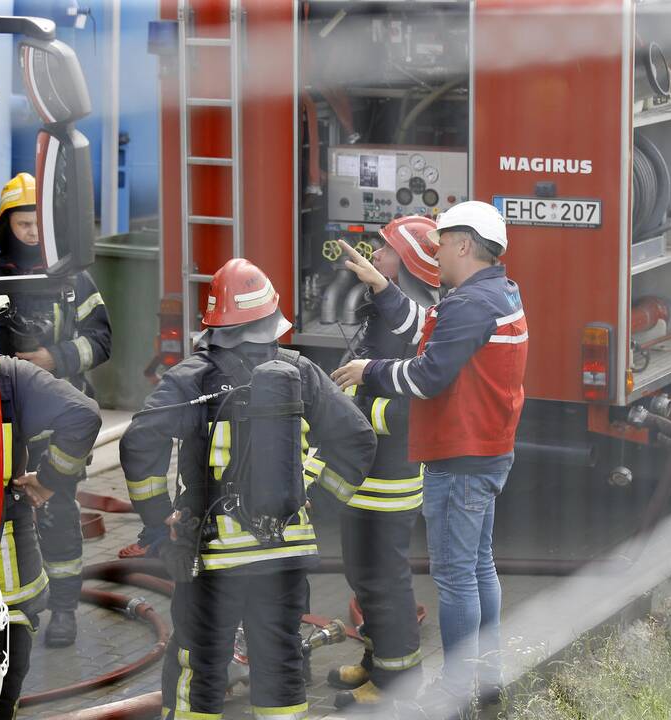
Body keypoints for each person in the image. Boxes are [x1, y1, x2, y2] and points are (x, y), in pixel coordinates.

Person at [120, 258, 375, 720]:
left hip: (211, 554)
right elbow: (356, 439)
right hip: (283, 550)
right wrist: (316, 502)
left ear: (214, 324)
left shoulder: (189, 377)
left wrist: (157, 520)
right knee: (279, 659)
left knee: (198, 660)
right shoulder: (300, 371)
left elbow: (139, 443)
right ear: (271, 319)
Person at [331, 200, 528, 719]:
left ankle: (458, 690)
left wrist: (368, 370)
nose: (436, 252)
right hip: (485, 451)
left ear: (464, 245)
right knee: (480, 568)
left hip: (459, 457)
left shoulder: (468, 304)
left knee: (457, 577)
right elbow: (428, 328)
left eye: (442, 241)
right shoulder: (497, 293)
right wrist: (384, 287)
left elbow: (426, 375)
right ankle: (487, 678)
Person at [0, 172, 112, 646]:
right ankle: (4, 604)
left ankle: (62, 609)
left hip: (60, 418)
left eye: (40, 223)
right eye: (23, 223)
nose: (33, 232)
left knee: (57, 510)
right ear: (4, 224)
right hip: (1, 420)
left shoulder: (73, 278)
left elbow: (102, 340)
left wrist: (53, 359)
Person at [0, 271, 102, 719]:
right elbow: (84, 415)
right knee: (8, 658)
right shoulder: (8, 376)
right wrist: (49, 480)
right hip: (3, 544)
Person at [327, 216, 441, 710]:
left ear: (409, 260)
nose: (375, 253)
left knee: (383, 577)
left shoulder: (423, 323)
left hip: (390, 476)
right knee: (360, 571)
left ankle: (397, 681)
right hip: (364, 472)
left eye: (385, 248)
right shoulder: (388, 312)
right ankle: (376, 662)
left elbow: (412, 410)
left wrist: (353, 412)